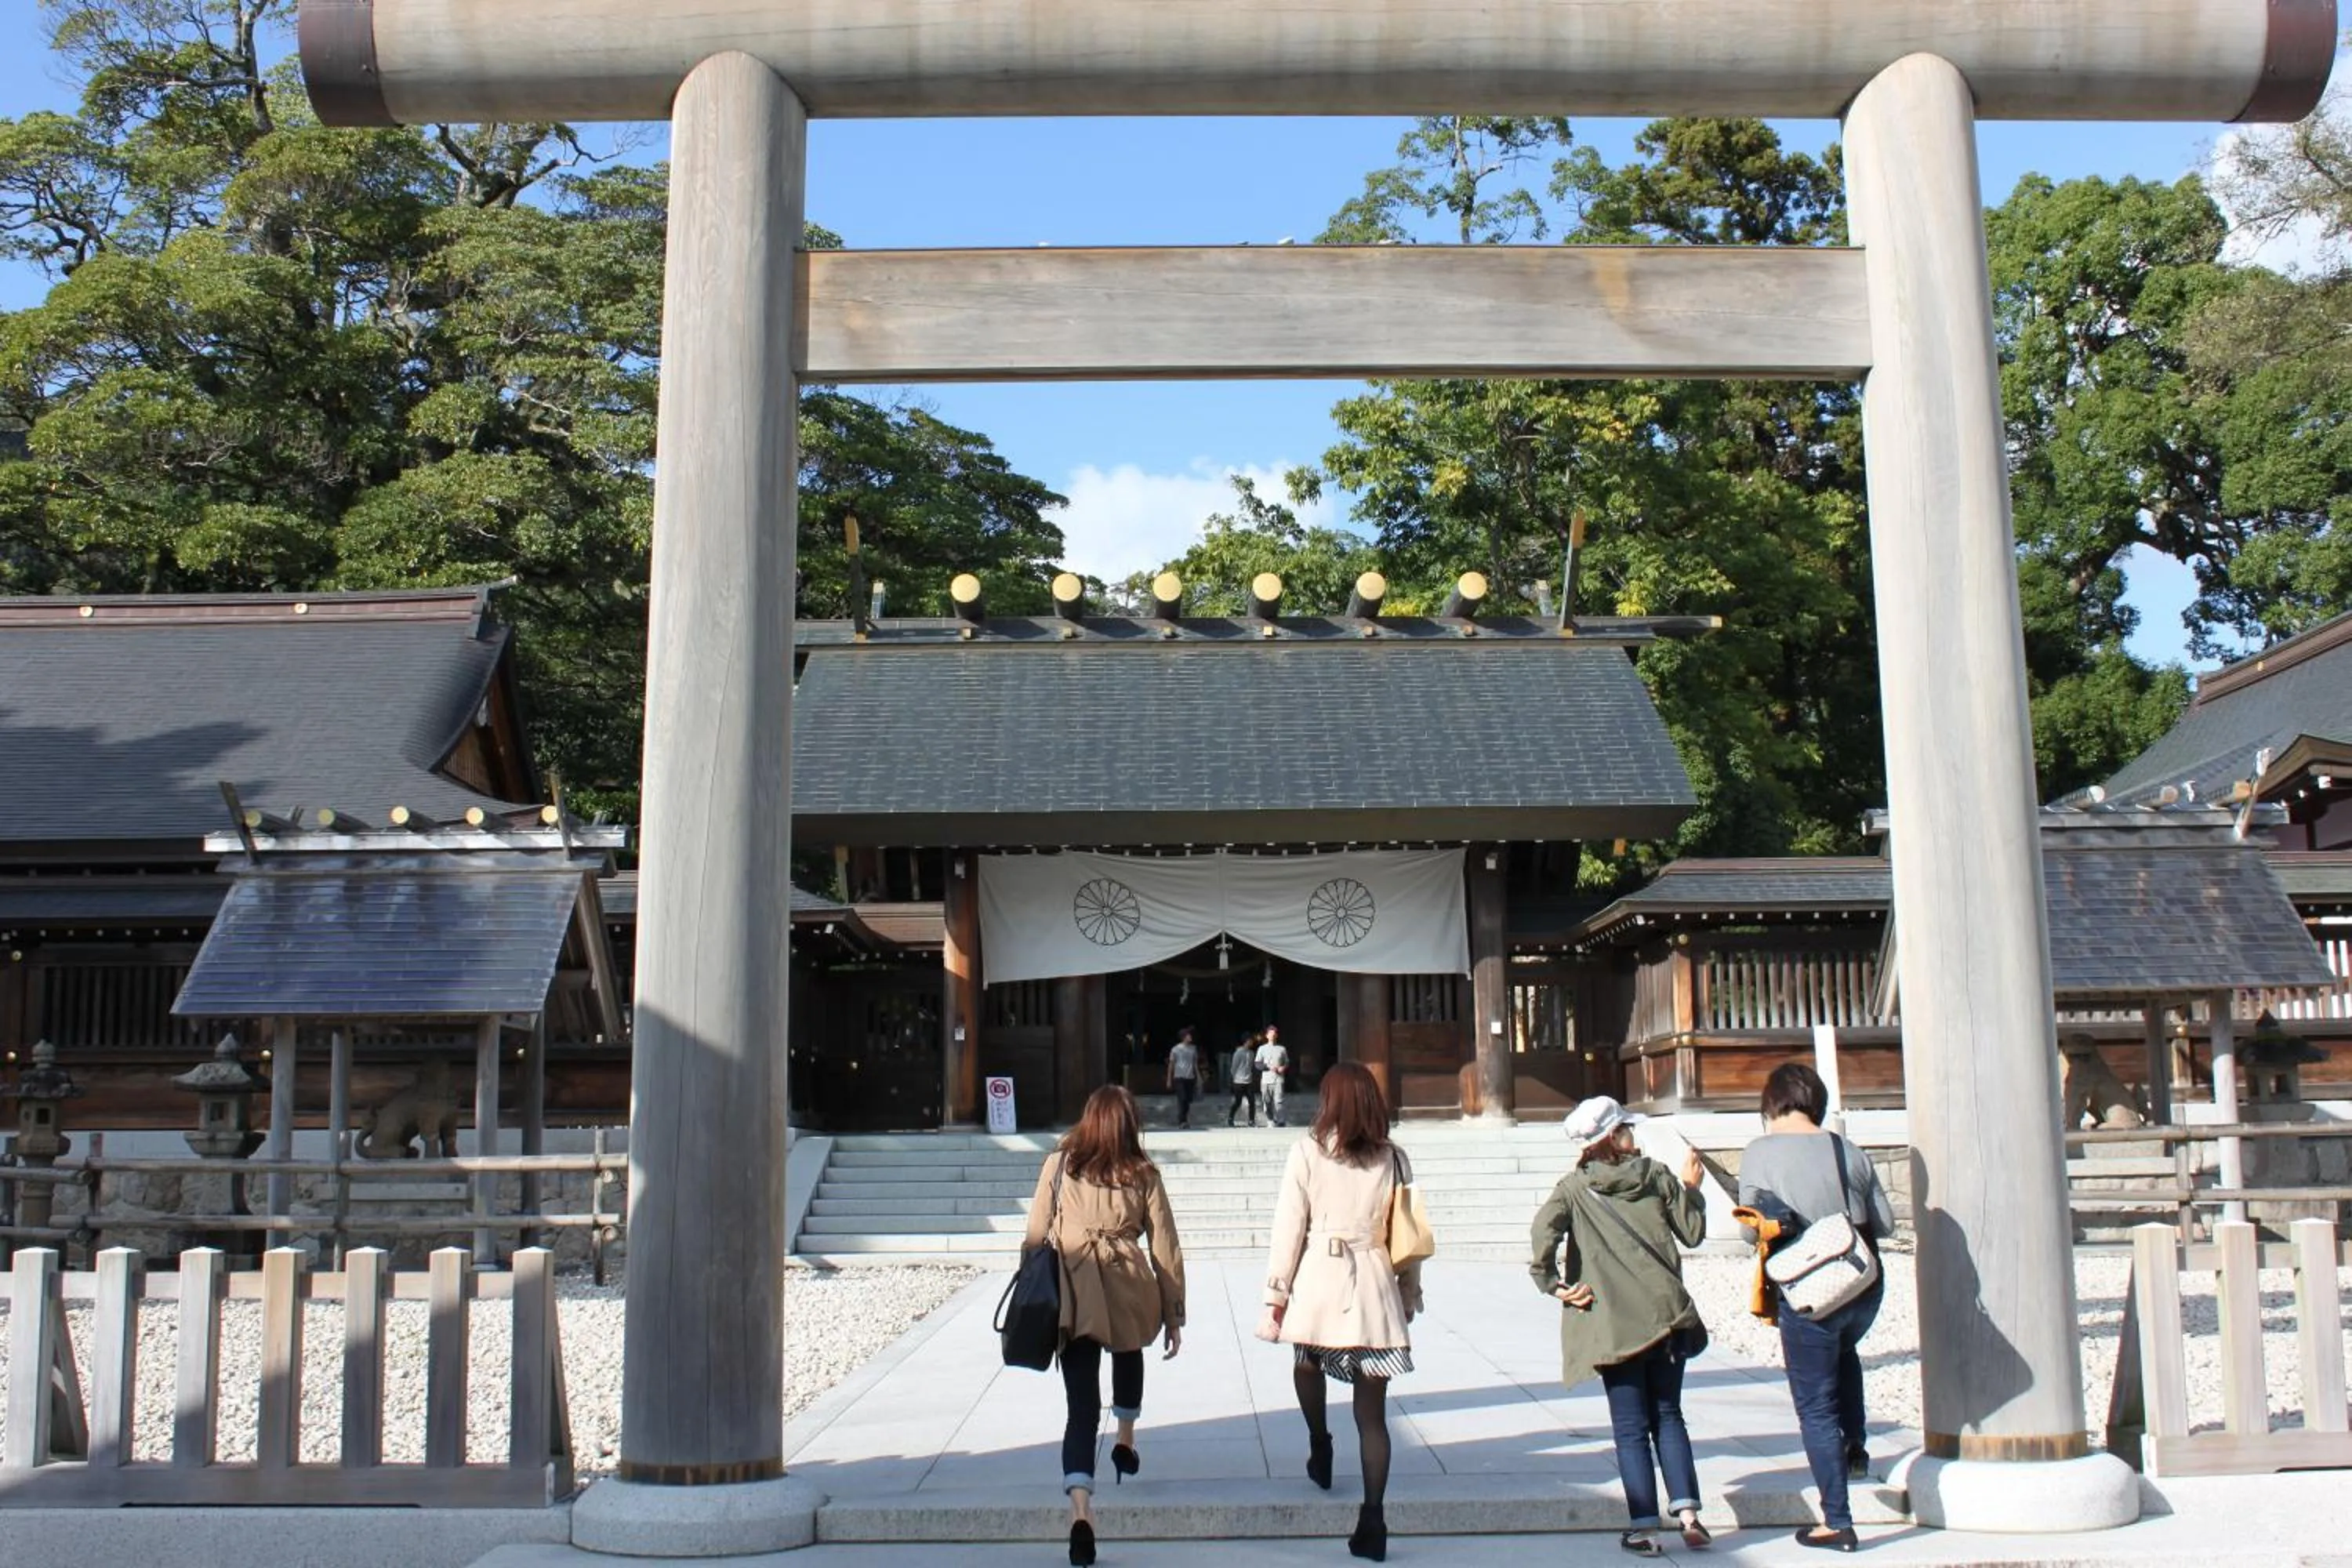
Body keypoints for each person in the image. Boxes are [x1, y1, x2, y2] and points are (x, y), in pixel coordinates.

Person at [1530, 1095, 1711, 1559]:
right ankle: (1689, 1513)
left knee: (1630, 1427)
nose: (1634, 1134)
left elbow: (1542, 1236)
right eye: (1627, 1128)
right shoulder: (1656, 1177)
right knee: (1669, 1414)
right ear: (1616, 1136)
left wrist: (1554, 1284)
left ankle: (1645, 1527)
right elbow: (1691, 1233)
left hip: (1614, 1323)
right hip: (1666, 1317)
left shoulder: (1573, 1189)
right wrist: (1692, 1189)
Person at [1258, 1061, 1419, 1563]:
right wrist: (1409, 1293)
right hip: (1374, 1279)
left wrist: (1275, 1298)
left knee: (1306, 1358)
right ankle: (1373, 1517)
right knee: (1372, 1415)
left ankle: (1319, 1441)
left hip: (1319, 1278)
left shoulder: (1306, 1152)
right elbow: (1410, 1235)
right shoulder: (1394, 1158)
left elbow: (1289, 1227)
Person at [1023, 1085, 1188, 1566]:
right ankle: (1126, 1439)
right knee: (1131, 1349)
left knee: (1080, 1407)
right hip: (1128, 1279)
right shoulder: (1143, 1173)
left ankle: (1081, 1510)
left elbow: (1035, 1232)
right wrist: (1174, 1311)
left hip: (1076, 1289)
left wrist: (1036, 1296)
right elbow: (1166, 1246)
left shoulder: (1060, 1164)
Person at [1739, 1062, 1895, 1554]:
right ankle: (1855, 1449)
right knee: (1845, 1353)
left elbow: (1750, 1230)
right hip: (1861, 1284)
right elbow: (1884, 1222)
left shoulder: (1759, 1153)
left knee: (1815, 1405)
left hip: (1808, 1290)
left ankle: (1837, 1521)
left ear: (1771, 1103)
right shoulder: (1845, 1148)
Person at [1256, 1024, 1291, 1127]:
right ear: (1267, 1036)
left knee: (1279, 1101)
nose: (1272, 1036)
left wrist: (1283, 1067)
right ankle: (1270, 1119)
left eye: (1274, 1034)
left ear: (1277, 1036)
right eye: (1270, 1034)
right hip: (1266, 1080)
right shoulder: (1262, 1049)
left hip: (1278, 1079)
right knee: (1267, 1102)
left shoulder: (1282, 1049)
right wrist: (1268, 1067)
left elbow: (1287, 1062)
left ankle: (1281, 1121)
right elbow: (1257, 1064)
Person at [1166, 1027, 1202, 1129]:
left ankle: (1184, 1118)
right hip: (1179, 1077)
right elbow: (1171, 1064)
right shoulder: (1176, 1049)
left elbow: (1195, 1064)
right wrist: (1169, 1079)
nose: (1191, 1037)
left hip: (1189, 1077)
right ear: (1183, 1037)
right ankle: (1182, 1121)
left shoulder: (1193, 1049)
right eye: (1188, 1035)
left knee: (1188, 1100)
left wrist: (1198, 1077)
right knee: (1182, 1098)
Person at [1227, 1031, 1262, 1127]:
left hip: (1248, 1081)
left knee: (1252, 1101)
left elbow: (1252, 1066)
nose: (1252, 1043)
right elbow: (1234, 1067)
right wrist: (1234, 1078)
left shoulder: (1251, 1053)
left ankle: (1251, 1120)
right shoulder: (1238, 1053)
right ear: (1246, 1041)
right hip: (1238, 1081)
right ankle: (1230, 1118)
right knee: (1237, 1102)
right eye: (1251, 1041)